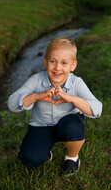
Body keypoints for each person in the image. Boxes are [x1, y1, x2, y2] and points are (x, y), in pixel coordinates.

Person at [8, 37, 102, 175]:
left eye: (64, 63)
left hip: (68, 124)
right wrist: (37, 96)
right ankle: (44, 152)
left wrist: (72, 99)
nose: (57, 68)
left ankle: (72, 157)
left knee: (73, 127)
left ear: (73, 65)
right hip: (42, 125)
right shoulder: (36, 80)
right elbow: (12, 103)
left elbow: (97, 109)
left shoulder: (76, 83)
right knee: (29, 159)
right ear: (45, 62)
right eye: (53, 61)